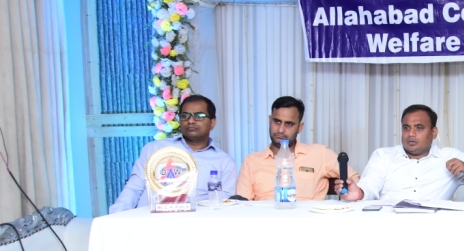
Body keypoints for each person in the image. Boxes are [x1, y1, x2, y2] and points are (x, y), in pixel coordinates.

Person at [108, 95, 236, 213]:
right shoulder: (155, 149)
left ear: (212, 123)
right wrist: (115, 216)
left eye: (199, 116)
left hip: (196, 223)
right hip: (149, 221)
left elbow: (223, 203)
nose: (191, 121)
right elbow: (134, 188)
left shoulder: (224, 162)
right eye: (185, 116)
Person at [340, 104, 464, 202]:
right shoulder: (383, 156)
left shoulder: (449, 157)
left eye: (419, 128)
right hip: (388, 223)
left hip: (432, 226)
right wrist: (359, 193)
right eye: (406, 127)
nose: (411, 134)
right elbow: (370, 185)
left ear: (434, 132)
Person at [235, 96, 357, 201]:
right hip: (265, 219)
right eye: (277, 122)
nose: (281, 129)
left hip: (308, 219)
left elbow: (356, 180)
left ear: (300, 127)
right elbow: (242, 205)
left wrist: (344, 190)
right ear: (270, 120)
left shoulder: (320, 154)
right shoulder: (251, 161)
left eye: (289, 124)